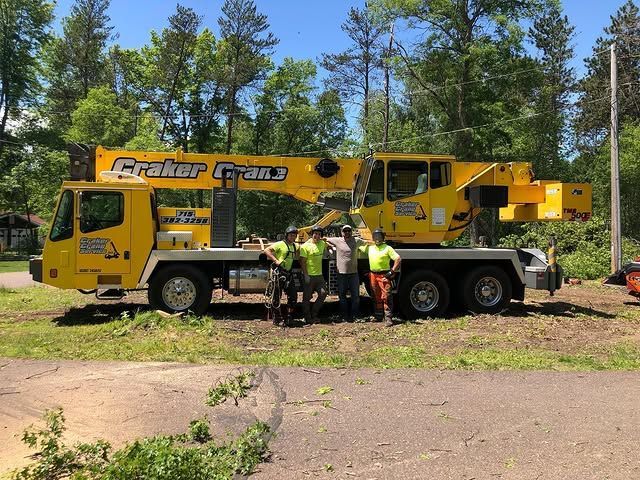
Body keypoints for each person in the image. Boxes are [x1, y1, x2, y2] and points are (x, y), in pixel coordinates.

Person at [326, 225, 368, 322]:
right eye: (345, 231)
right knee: (342, 295)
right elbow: (325, 239)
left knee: (355, 296)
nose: (347, 232)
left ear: (351, 232)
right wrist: (328, 246)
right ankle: (344, 314)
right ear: (342, 232)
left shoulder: (356, 240)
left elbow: (367, 243)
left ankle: (355, 314)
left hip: (353, 274)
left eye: (349, 230)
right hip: (341, 274)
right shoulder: (337, 240)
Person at [365, 228, 402, 326]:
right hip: (373, 275)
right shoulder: (370, 248)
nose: (377, 239)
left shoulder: (388, 248)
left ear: (383, 237)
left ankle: (388, 318)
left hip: (384, 275)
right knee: (375, 295)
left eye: (379, 236)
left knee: (386, 296)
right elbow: (358, 246)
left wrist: (391, 272)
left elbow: (398, 259)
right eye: (376, 237)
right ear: (373, 238)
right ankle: (378, 316)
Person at [264, 225, 299, 323]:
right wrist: (275, 260)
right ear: (287, 235)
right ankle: (277, 317)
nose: (293, 237)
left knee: (293, 296)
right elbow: (266, 250)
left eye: (294, 235)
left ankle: (289, 316)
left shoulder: (295, 246)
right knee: (276, 297)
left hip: (289, 274)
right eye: (291, 235)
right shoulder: (280, 244)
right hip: (279, 273)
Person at [299, 225, 328, 323]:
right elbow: (302, 262)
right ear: (312, 234)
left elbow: (329, 245)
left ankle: (314, 313)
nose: (317, 236)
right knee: (306, 297)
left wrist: (331, 248)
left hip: (319, 276)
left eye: (319, 234)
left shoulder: (322, 243)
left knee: (323, 293)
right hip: (309, 275)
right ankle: (307, 318)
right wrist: (305, 275)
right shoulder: (305, 246)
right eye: (315, 234)